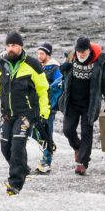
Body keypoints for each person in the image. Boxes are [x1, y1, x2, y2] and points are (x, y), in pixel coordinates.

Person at [0, 31, 49, 196]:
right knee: (5, 147)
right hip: (8, 114)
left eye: (14, 45)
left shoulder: (33, 64)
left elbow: (43, 90)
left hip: (26, 114)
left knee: (17, 146)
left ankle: (14, 183)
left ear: (20, 46)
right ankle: (23, 168)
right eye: (8, 45)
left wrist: (44, 113)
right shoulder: (1, 64)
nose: (10, 49)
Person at [57, 37, 105, 175]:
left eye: (84, 51)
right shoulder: (71, 58)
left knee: (86, 133)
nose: (81, 54)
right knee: (67, 130)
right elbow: (65, 77)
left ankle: (82, 162)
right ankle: (78, 147)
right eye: (79, 51)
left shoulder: (100, 63)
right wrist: (63, 69)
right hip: (72, 103)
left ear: (89, 50)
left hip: (89, 105)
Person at [33, 42, 64, 174]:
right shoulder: (37, 66)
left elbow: (59, 83)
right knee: (34, 132)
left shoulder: (55, 68)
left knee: (46, 132)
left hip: (48, 107)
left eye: (42, 53)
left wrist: (48, 94)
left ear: (48, 55)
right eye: (38, 53)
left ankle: (47, 162)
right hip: (35, 106)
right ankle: (49, 146)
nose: (39, 56)